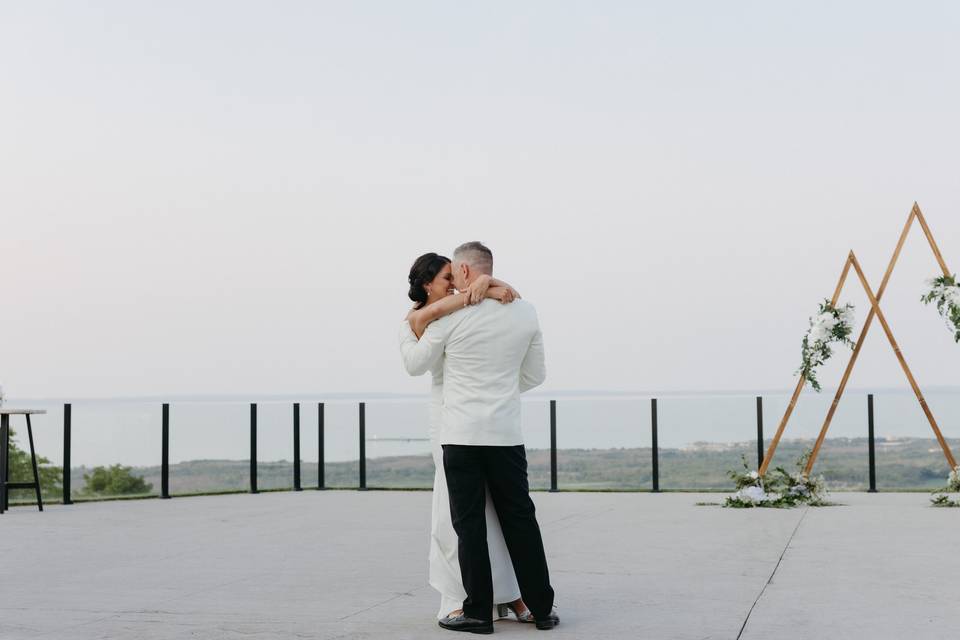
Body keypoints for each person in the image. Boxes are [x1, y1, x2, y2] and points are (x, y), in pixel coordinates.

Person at [400, 242, 558, 634]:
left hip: (462, 435)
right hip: (506, 434)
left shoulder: (450, 320)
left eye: (455, 272)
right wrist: (501, 390)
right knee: (521, 521)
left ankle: (478, 614)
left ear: (466, 273)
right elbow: (535, 376)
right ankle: (541, 609)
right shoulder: (525, 311)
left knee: (469, 527)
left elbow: (417, 363)